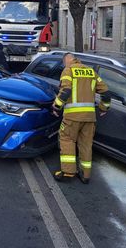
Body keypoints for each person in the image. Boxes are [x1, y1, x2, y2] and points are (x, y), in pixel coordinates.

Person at [52, 53, 110, 184]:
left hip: (72, 117)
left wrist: (56, 107)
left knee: (67, 140)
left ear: (67, 60)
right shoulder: (91, 72)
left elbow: (65, 91)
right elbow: (106, 92)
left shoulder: (68, 70)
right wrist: (103, 108)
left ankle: (68, 172)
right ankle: (85, 175)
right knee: (86, 145)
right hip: (90, 118)